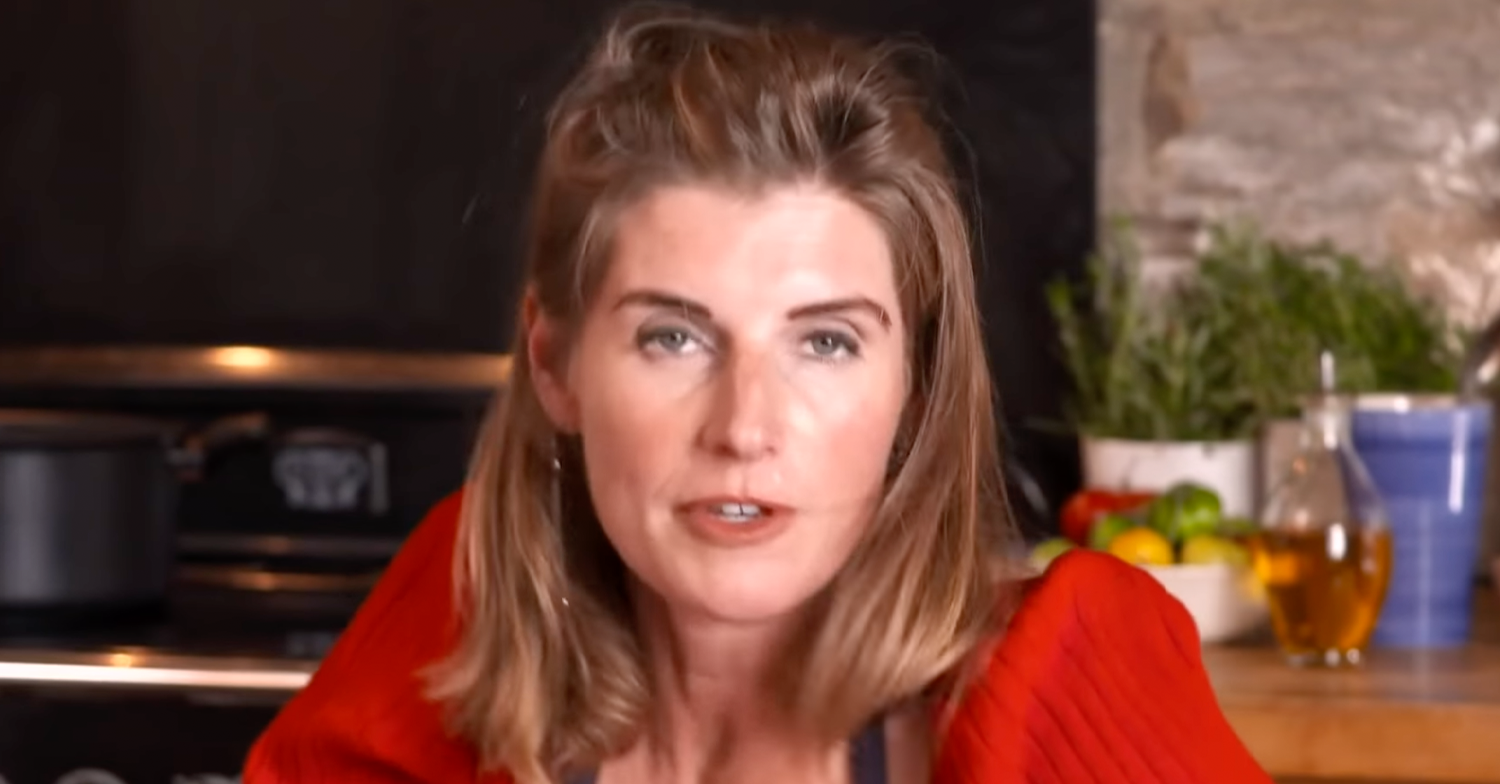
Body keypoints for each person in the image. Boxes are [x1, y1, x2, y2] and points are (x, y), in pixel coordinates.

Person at [244, 6, 1272, 784]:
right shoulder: (461, 612)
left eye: (824, 341)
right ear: (555, 364)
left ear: (915, 384)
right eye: (674, 336)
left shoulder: (1058, 675)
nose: (745, 426)